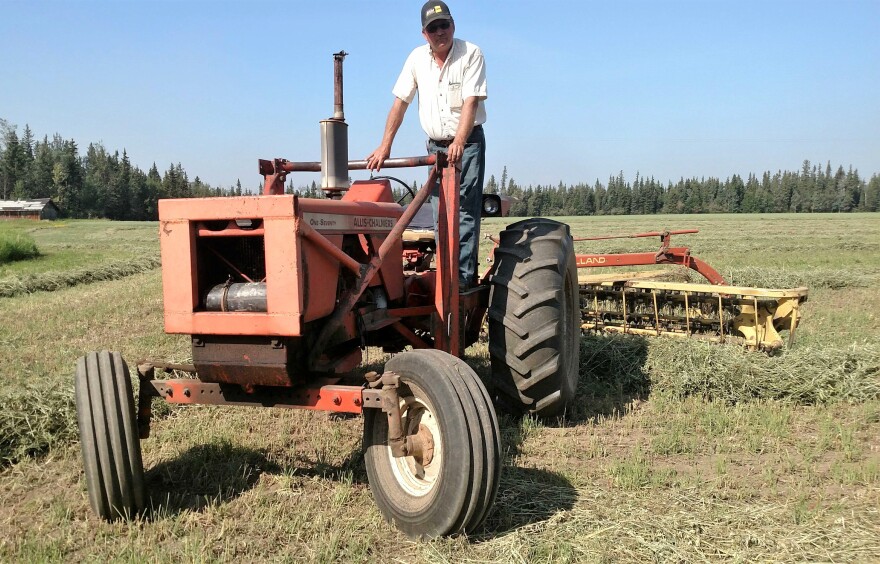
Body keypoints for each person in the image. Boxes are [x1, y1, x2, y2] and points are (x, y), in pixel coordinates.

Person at [366, 1, 487, 288]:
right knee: (439, 213)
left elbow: (470, 101)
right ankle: (444, 276)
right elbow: (400, 103)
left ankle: (462, 283)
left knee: (464, 211)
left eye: (444, 25)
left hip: (467, 143)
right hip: (435, 148)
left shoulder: (471, 53)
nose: (440, 32)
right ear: (424, 33)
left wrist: (459, 140)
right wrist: (385, 146)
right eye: (433, 28)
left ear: (453, 25)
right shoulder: (416, 59)